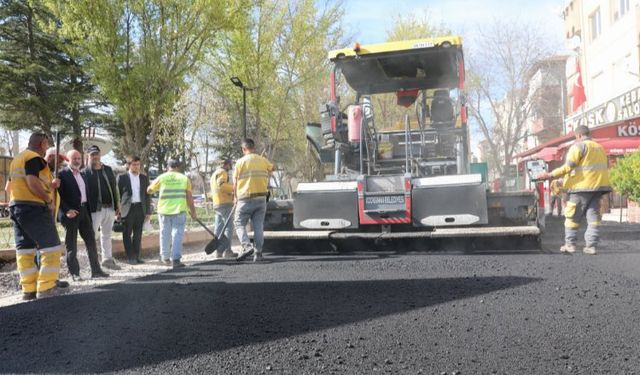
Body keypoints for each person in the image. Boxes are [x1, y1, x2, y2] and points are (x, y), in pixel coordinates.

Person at [8, 133, 65, 299]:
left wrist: (51, 184)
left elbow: (17, 184)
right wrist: (48, 200)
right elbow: (32, 181)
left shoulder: (17, 159)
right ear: (42, 143)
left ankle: (29, 289)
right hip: (34, 208)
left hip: (17, 208)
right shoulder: (34, 157)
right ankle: (46, 287)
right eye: (46, 145)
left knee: (25, 250)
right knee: (51, 247)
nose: (46, 147)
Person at [538, 125, 611, 255]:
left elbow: (568, 167)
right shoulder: (599, 147)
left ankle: (570, 244)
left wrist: (549, 175)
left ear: (578, 136)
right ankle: (591, 246)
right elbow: (586, 169)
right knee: (593, 218)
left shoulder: (578, 147)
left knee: (571, 217)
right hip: (598, 188)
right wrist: (564, 181)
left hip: (581, 189)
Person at [58, 150, 109, 280]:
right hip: (71, 214)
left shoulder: (82, 174)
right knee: (71, 244)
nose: (77, 161)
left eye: (79, 158)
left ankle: (96, 271)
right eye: (74, 158)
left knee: (91, 241)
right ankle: (75, 274)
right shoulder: (61, 175)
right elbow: (58, 196)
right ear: (68, 160)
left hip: (84, 211)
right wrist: (66, 210)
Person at [147, 159, 197, 268]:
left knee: (164, 234)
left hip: (164, 211)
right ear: (178, 167)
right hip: (179, 210)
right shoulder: (184, 179)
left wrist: (153, 189)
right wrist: (193, 212)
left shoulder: (162, 177)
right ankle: (176, 260)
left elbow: (149, 190)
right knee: (177, 235)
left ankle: (165, 258)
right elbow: (189, 197)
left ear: (167, 167)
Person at [233, 139, 274, 262]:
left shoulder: (240, 162)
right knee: (258, 226)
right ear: (254, 148)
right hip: (261, 198)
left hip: (245, 198)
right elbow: (273, 168)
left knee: (239, 223)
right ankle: (258, 254)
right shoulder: (262, 160)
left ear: (243, 149)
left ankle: (246, 246)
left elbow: (235, 183)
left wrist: (235, 197)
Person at [84, 145, 121, 270]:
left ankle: (107, 259)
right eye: (92, 155)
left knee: (107, 235)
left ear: (100, 155)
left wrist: (117, 206)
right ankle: (93, 263)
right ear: (88, 156)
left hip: (109, 208)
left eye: (97, 154)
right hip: (95, 210)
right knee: (92, 235)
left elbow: (114, 188)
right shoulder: (85, 172)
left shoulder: (108, 170)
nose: (95, 157)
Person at [117, 155, 152, 265]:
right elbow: (117, 194)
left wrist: (148, 211)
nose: (137, 167)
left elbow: (147, 196)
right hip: (127, 209)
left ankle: (137, 256)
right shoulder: (122, 177)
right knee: (127, 234)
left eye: (138, 165)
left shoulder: (144, 178)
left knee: (138, 234)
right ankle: (131, 257)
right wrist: (117, 210)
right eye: (134, 165)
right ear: (129, 165)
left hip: (140, 208)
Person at [210, 159, 236, 259]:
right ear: (226, 164)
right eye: (230, 165)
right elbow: (222, 185)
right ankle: (227, 251)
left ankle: (218, 251)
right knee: (228, 227)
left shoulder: (214, 174)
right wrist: (234, 188)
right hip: (225, 203)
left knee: (219, 228)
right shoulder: (222, 172)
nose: (230, 167)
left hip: (217, 203)